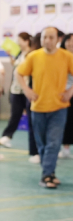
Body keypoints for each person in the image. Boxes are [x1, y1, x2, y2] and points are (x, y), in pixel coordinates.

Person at [16, 27, 73, 188]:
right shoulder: (34, 56)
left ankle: (46, 176)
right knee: (42, 144)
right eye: (44, 37)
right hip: (38, 107)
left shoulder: (67, 56)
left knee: (53, 143)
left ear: (58, 39)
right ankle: (50, 172)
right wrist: (27, 90)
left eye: (51, 37)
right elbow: (19, 73)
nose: (47, 40)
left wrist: (70, 91)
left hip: (59, 107)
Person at [0, 32, 32, 148]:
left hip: (27, 90)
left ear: (27, 41)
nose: (18, 43)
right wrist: (10, 56)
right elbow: (16, 66)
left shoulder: (31, 54)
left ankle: (34, 144)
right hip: (16, 90)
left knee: (32, 118)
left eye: (20, 40)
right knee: (15, 115)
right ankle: (7, 136)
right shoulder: (19, 53)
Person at [27, 33, 42, 164]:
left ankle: (39, 152)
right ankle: (35, 152)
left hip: (45, 98)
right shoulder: (33, 56)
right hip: (34, 96)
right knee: (34, 126)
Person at [59, 33, 73, 159]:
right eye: (68, 40)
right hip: (63, 94)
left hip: (71, 92)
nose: (70, 43)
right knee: (66, 121)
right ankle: (65, 148)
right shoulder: (60, 56)